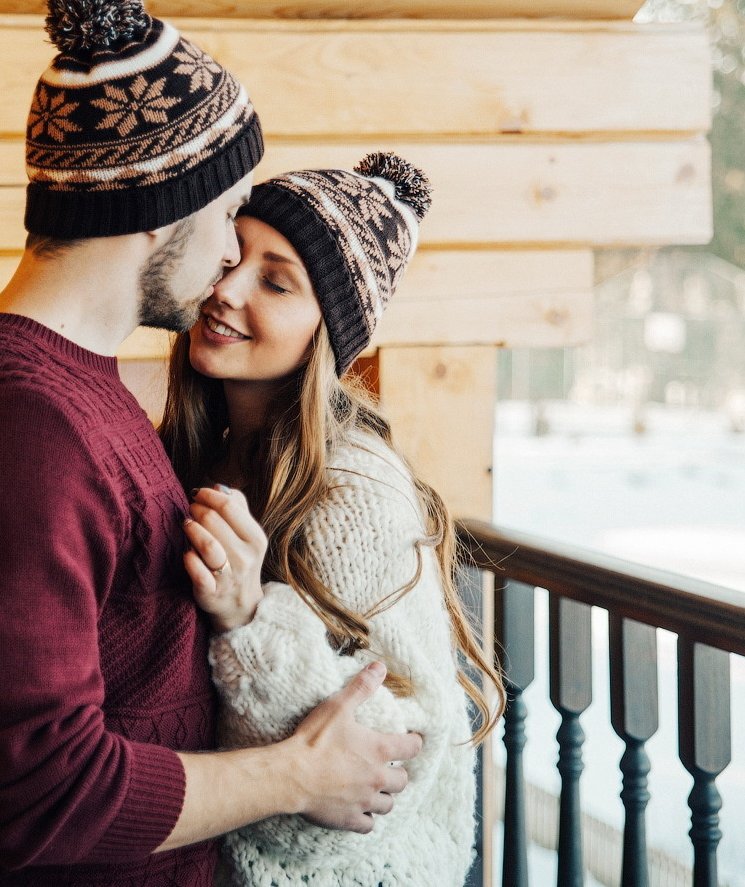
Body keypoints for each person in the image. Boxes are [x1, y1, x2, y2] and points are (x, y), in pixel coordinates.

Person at [0, 0, 421, 887]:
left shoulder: (64, 394)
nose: (222, 260)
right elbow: (34, 801)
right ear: (158, 212)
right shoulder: (24, 429)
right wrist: (294, 774)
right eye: (224, 214)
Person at [160, 153, 503, 886]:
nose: (224, 290)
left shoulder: (353, 489)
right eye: (230, 256)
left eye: (275, 281)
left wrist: (249, 619)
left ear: (328, 331)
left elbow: (392, 744)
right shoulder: (211, 453)